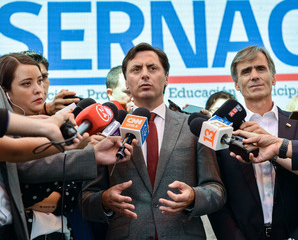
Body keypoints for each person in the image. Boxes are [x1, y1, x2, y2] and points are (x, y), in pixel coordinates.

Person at [81, 42, 225, 240]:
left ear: (166, 78)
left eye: (153, 68)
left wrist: (193, 196)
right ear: (126, 80)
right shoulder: (109, 130)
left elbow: (216, 190)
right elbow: (86, 199)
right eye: (136, 69)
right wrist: (105, 200)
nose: (145, 74)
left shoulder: (192, 126)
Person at [0, 53, 136, 240]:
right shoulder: (38, 128)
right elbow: (21, 165)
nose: (38, 90)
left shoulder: (49, 124)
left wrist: (90, 152)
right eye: (26, 83)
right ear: (4, 92)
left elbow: (70, 197)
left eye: (40, 80)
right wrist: (68, 143)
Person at [208, 45, 298, 240]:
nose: (254, 75)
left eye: (260, 68)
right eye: (246, 71)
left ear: (274, 78)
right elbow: (218, 198)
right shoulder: (223, 132)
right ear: (237, 84)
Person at [21, 51, 80, 115]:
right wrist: (46, 108)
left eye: (42, 78)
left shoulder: (61, 118)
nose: (39, 88)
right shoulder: (9, 120)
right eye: (27, 83)